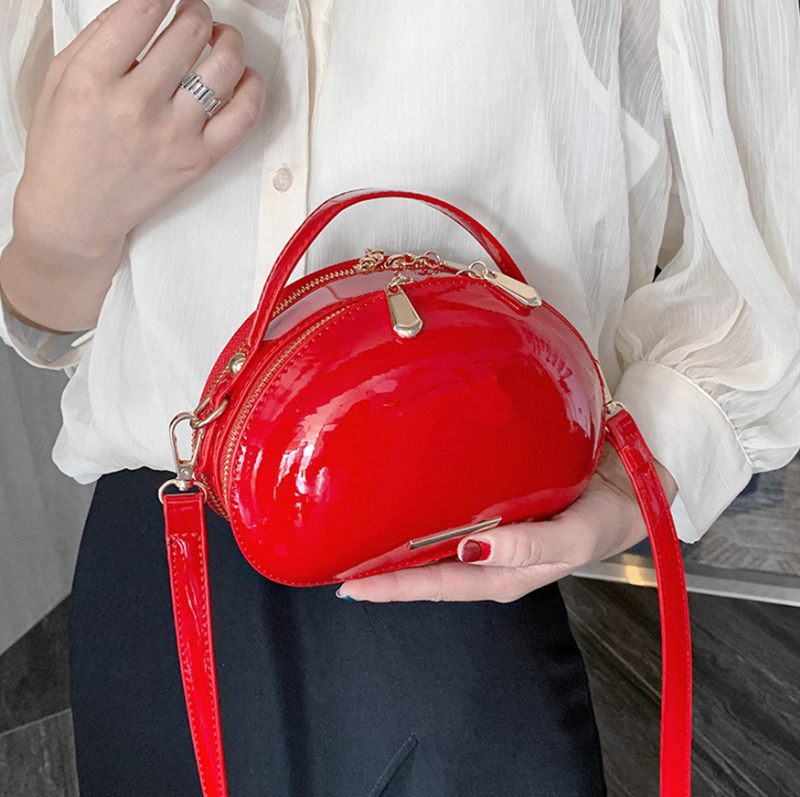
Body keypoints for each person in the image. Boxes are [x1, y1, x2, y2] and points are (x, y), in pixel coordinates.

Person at [1, 1, 798, 795]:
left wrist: (639, 477)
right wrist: (57, 236)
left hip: (455, 564)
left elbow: (771, 218)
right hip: (162, 561)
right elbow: (51, 326)